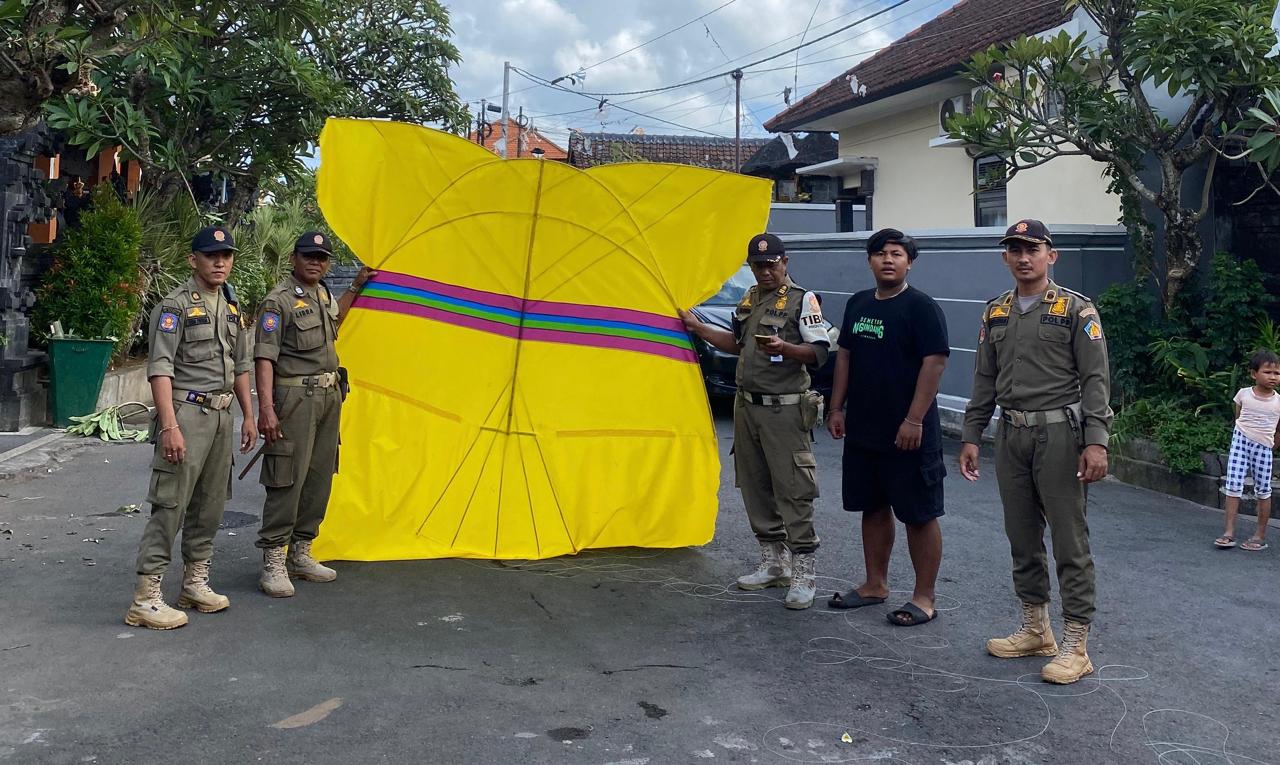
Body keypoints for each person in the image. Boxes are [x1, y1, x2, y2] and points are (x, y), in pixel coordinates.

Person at [958, 219, 1112, 685]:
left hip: (1061, 435)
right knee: (1022, 535)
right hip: (1012, 435)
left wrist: (1096, 440)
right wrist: (971, 433)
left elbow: (1095, 379)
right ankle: (1035, 629)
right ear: (1005, 257)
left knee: (1069, 540)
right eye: (1014, 249)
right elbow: (984, 377)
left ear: (1052, 255)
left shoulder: (1075, 310)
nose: (1024, 257)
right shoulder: (997, 313)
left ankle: (1076, 644)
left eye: (1033, 248)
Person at [679, 233, 830, 609]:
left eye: (772, 264)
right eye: (758, 265)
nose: (765, 271)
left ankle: (804, 572)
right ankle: (773, 562)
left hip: (785, 408)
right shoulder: (750, 299)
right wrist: (699, 328)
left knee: (793, 487)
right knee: (754, 484)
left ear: (785, 262)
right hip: (747, 406)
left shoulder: (802, 300)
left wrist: (786, 349)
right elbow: (738, 343)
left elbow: (819, 352)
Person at [125, 225, 256, 630]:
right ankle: (145, 599)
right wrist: (168, 426)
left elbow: (241, 365)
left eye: (227, 255)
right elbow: (160, 368)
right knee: (171, 504)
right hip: (186, 413)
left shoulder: (230, 305)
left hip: (220, 417)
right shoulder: (174, 305)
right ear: (192, 259)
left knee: (210, 504)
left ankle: (195, 583)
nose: (220, 262)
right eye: (211, 255)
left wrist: (248, 415)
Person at [826, 229, 949, 626]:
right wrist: (836, 407)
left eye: (896, 254)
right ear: (870, 261)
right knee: (873, 506)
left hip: (908, 433)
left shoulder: (921, 308)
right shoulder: (859, 304)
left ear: (909, 262)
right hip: (864, 429)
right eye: (880, 254)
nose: (888, 260)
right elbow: (844, 356)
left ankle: (923, 597)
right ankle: (874, 584)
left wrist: (914, 419)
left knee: (918, 513)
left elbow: (935, 364)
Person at [253, 232, 373, 597]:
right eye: (309, 256)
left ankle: (301, 551)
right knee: (287, 476)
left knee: (320, 477)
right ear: (294, 258)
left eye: (322, 258)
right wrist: (266, 409)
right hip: (294, 399)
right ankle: (274, 559)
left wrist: (355, 287)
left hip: (327, 396)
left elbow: (335, 324)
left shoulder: (322, 295)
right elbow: (264, 357)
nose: (316, 262)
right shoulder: (279, 302)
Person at [1214, 350, 1280, 552]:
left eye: (1277, 373)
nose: (1273, 377)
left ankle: (1260, 535)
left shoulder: (1278, 401)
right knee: (1233, 486)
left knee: (1263, 490)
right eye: (1267, 372)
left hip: (1264, 448)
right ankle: (1228, 532)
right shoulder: (1243, 394)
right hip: (1240, 443)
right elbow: (1239, 417)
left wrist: (1271, 445)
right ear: (1254, 374)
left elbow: (1279, 429)